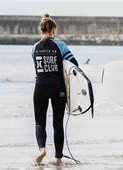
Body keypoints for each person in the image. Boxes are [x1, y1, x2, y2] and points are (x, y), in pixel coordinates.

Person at [32, 14, 79, 166]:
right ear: (53, 30)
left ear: (41, 30)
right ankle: (58, 158)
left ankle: (42, 149)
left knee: (40, 122)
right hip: (57, 88)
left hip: (39, 87)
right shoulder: (60, 45)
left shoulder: (34, 47)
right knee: (57, 123)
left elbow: (38, 68)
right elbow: (74, 64)